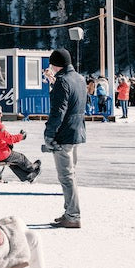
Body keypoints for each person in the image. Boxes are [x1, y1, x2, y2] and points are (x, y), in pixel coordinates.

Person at [44, 48, 87, 228]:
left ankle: (73, 215)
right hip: (77, 131)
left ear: (55, 65)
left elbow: (58, 112)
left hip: (63, 134)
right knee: (71, 174)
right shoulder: (79, 78)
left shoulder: (62, 81)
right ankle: (70, 212)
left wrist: (49, 133)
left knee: (66, 176)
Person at [0, 103, 40, 182]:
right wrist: (21, 136)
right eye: (0, 113)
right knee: (20, 157)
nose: (1, 115)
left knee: (12, 160)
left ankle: (27, 176)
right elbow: (9, 139)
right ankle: (32, 167)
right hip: (0, 153)